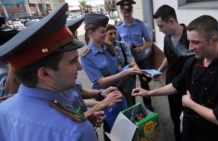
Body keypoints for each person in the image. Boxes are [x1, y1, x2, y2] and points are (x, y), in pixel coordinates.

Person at [132, 15, 218, 141]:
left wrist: (190, 104)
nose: (190, 47)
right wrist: (149, 92)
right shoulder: (193, 62)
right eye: (189, 41)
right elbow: (176, 85)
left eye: (196, 42)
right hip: (188, 128)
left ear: (214, 40)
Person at [0, 3, 102, 141]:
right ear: (45, 74)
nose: (80, 67)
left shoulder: (3, 111)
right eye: (73, 61)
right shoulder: (75, 130)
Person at [80, 13, 141, 141]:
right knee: (111, 128)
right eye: (102, 31)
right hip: (103, 94)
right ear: (91, 32)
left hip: (118, 90)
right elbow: (101, 82)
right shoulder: (86, 56)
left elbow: (117, 68)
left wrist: (128, 71)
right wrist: (124, 73)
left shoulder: (109, 47)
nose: (105, 34)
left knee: (124, 124)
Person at [152, 5, 194, 141]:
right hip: (171, 85)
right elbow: (167, 58)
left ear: (171, 21)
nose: (159, 30)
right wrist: (159, 71)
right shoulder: (167, 38)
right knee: (175, 118)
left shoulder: (191, 38)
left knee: (189, 123)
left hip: (189, 89)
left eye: (161, 26)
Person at [116, 0, 154, 111]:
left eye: (129, 11)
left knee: (145, 82)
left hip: (141, 59)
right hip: (128, 63)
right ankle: (133, 107)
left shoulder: (140, 25)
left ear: (132, 11)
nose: (127, 14)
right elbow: (116, 46)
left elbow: (149, 41)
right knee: (129, 86)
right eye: (124, 12)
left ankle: (148, 105)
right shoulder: (118, 28)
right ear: (121, 11)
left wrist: (141, 48)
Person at [105, 24, 139, 106]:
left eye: (115, 33)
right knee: (117, 103)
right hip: (112, 81)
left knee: (130, 101)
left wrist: (135, 67)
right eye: (110, 34)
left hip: (126, 78)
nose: (113, 36)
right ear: (104, 34)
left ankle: (131, 112)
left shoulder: (123, 45)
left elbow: (130, 60)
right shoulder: (103, 50)